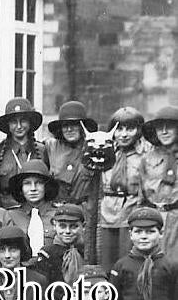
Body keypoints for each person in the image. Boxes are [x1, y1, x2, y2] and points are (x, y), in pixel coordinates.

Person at [98, 107, 148, 266]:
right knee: (107, 262)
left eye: (130, 129)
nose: (124, 134)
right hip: (107, 213)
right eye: (119, 129)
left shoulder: (146, 154)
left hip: (132, 211)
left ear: (139, 130)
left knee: (130, 262)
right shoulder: (105, 151)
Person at [0, 98, 48, 207]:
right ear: (8, 125)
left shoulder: (43, 150)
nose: (19, 126)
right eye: (13, 122)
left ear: (30, 123)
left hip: (36, 212)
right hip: (6, 214)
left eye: (23, 121)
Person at [139, 106, 178, 257]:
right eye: (159, 127)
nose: (164, 131)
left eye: (169, 127)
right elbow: (141, 197)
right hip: (154, 219)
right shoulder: (148, 159)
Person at [45, 101, 99, 205]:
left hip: (83, 210)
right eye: (65, 125)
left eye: (74, 124)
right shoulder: (50, 147)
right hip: (57, 210)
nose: (69, 129)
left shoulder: (93, 149)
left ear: (83, 127)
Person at [31, 203, 85, 285]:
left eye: (74, 226)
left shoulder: (87, 251)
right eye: (62, 226)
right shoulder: (47, 254)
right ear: (54, 226)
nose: (67, 231)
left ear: (83, 226)